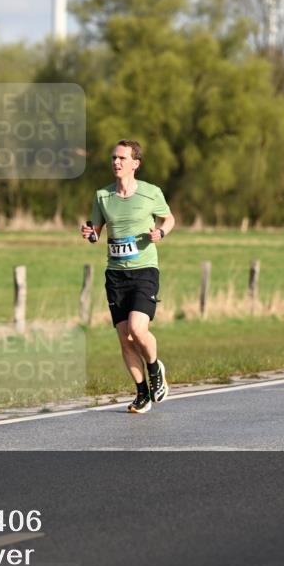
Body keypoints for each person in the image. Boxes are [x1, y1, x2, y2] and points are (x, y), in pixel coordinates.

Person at [81, 140, 175, 413]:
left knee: (137, 329)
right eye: (114, 157)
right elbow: (96, 231)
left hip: (144, 270)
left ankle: (155, 368)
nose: (116, 162)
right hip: (115, 275)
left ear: (135, 163)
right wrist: (90, 234)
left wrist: (161, 232)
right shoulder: (102, 196)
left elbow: (169, 218)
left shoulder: (151, 192)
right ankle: (142, 393)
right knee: (124, 337)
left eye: (122, 158)